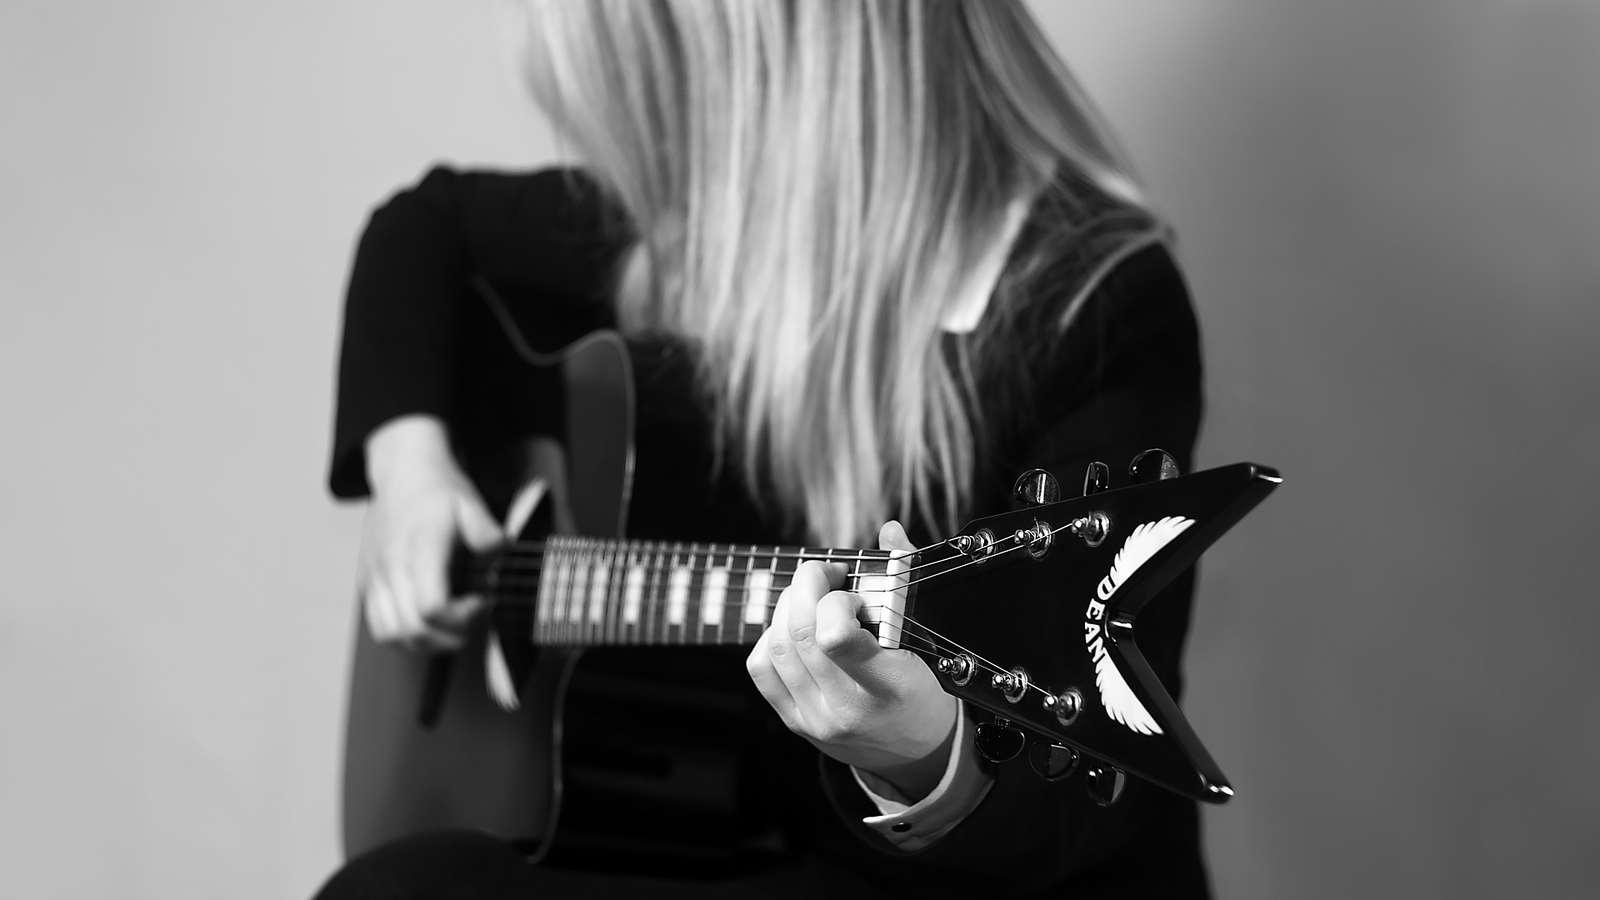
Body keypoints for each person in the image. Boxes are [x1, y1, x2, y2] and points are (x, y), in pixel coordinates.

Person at [317, 1, 1208, 897]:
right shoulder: (691, 222)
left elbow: (1088, 786)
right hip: (709, 826)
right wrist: (410, 469)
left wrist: (922, 753)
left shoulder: (1092, 304)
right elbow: (421, 228)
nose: (635, 157)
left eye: (658, 93)